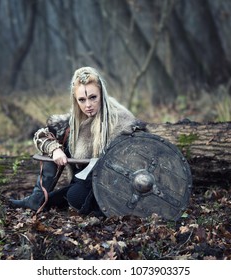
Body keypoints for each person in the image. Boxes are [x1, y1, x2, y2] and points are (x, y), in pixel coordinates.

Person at [9, 66, 141, 216]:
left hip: (108, 184)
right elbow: (41, 135)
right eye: (82, 100)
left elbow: (135, 155)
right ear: (76, 100)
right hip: (81, 180)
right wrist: (55, 149)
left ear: (101, 94)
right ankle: (37, 198)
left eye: (93, 97)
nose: (88, 105)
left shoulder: (120, 120)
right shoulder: (74, 121)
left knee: (74, 196)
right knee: (53, 196)